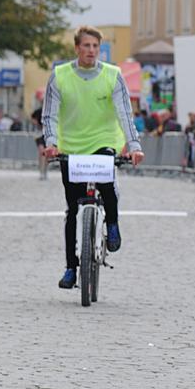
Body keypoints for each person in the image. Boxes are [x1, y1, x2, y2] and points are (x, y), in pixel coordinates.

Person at [42, 25, 144, 289]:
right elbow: (49, 114)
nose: (90, 51)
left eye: (95, 46)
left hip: (103, 141)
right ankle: (70, 268)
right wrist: (51, 144)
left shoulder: (113, 75)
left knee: (107, 186)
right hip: (71, 147)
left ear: (100, 49)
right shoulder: (60, 75)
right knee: (72, 209)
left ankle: (112, 224)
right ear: (77, 48)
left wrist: (133, 146)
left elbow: (124, 113)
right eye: (86, 46)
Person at [31, 107, 48, 180]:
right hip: (39, 133)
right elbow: (32, 118)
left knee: (47, 155)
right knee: (42, 152)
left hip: (47, 134)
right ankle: (41, 172)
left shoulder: (49, 110)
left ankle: (45, 171)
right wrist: (37, 123)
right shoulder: (38, 110)